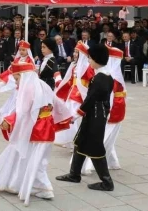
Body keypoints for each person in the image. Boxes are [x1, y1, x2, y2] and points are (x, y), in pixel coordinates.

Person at [0, 59, 72, 204]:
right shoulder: (43, 85)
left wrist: (9, 120)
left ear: (24, 76)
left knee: (33, 158)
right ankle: (21, 184)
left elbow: (23, 111)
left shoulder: (28, 89)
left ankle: (43, 187)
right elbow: (57, 103)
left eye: (17, 79)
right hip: (46, 127)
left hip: (36, 128)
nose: (16, 83)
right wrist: (67, 116)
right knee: (34, 157)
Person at [56, 43, 115, 192]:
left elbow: (90, 100)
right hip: (96, 114)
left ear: (96, 59)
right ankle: (74, 174)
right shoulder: (106, 76)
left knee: (95, 146)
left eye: (90, 58)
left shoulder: (100, 78)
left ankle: (107, 182)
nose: (88, 61)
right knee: (80, 141)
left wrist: (75, 115)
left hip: (96, 115)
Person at [82, 43, 126, 175]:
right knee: (107, 136)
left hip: (112, 109)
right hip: (114, 107)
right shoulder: (113, 74)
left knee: (104, 137)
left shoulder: (110, 75)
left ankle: (91, 164)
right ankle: (108, 163)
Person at [54, 42, 94, 149]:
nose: (75, 54)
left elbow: (89, 83)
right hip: (71, 95)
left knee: (75, 118)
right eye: (75, 52)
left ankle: (77, 141)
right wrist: (60, 86)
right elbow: (69, 81)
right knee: (69, 117)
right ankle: (70, 140)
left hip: (79, 96)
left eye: (77, 52)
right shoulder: (74, 66)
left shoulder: (87, 67)